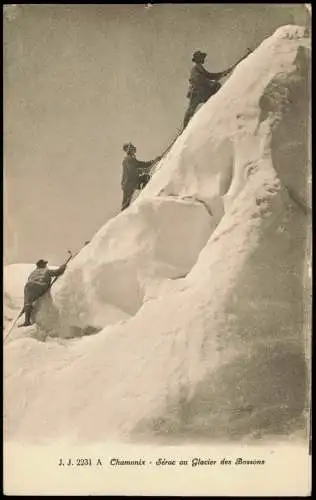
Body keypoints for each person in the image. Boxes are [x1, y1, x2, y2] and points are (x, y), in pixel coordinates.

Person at [183, 49, 249, 129]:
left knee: (216, 88)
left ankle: (218, 110)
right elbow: (198, 79)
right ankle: (184, 128)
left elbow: (210, 76)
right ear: (198, 59)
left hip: (202, 92)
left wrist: (222, 74)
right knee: (190, 111)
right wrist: (210, 83)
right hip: (196, 93)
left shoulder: (199, 67)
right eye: (202, 57)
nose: (203, 59)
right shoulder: (195, 68)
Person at [19, 259, 67, 327]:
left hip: (28, 285)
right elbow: (57, 272)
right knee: (34, 294)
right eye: (45, 264)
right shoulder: (46, 270)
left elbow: (30, 285)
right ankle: (28, 310)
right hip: (40, 285)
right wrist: (63, 267)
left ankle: (27, 320)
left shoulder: (32, 273)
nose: (46, 265)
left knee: (28, 302)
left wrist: (25, 304)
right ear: (42, 265)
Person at [121, 143, 161, 211]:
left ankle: (144, 194)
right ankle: (123, 217)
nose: (134, 148)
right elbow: (132, 171)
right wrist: (143, 171)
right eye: (132, 148)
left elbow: (142, 164)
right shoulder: (128, 159)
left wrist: (153, 161)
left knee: (146, 177)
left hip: (132, 182)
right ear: (129, 150)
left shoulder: (132, 159)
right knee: (126, 203)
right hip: (128, 184)